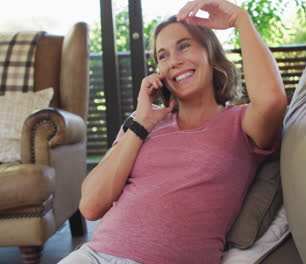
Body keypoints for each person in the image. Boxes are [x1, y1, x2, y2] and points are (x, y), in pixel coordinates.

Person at [59, 0, 287, 263]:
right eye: (163, 56)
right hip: (95, 256)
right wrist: (141, 125)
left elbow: (273, 101)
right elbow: (90, 205)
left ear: (210, 54)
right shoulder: (140, 124)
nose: (174, 61)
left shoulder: (240, 122)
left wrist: (239, 18)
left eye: (184, 46)